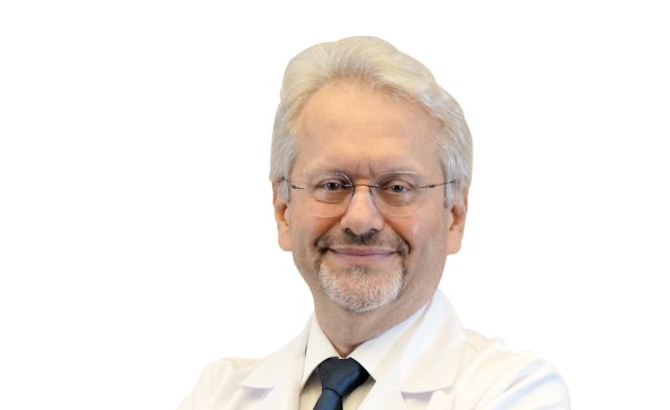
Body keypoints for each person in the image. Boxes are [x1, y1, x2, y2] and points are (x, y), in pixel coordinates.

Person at [176, 35, 571, 410]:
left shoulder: (516, 390)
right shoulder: (218, 393)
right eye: (332, 185)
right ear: (283, 211)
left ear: (455, 216)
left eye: (397, 187)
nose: (361, 219)